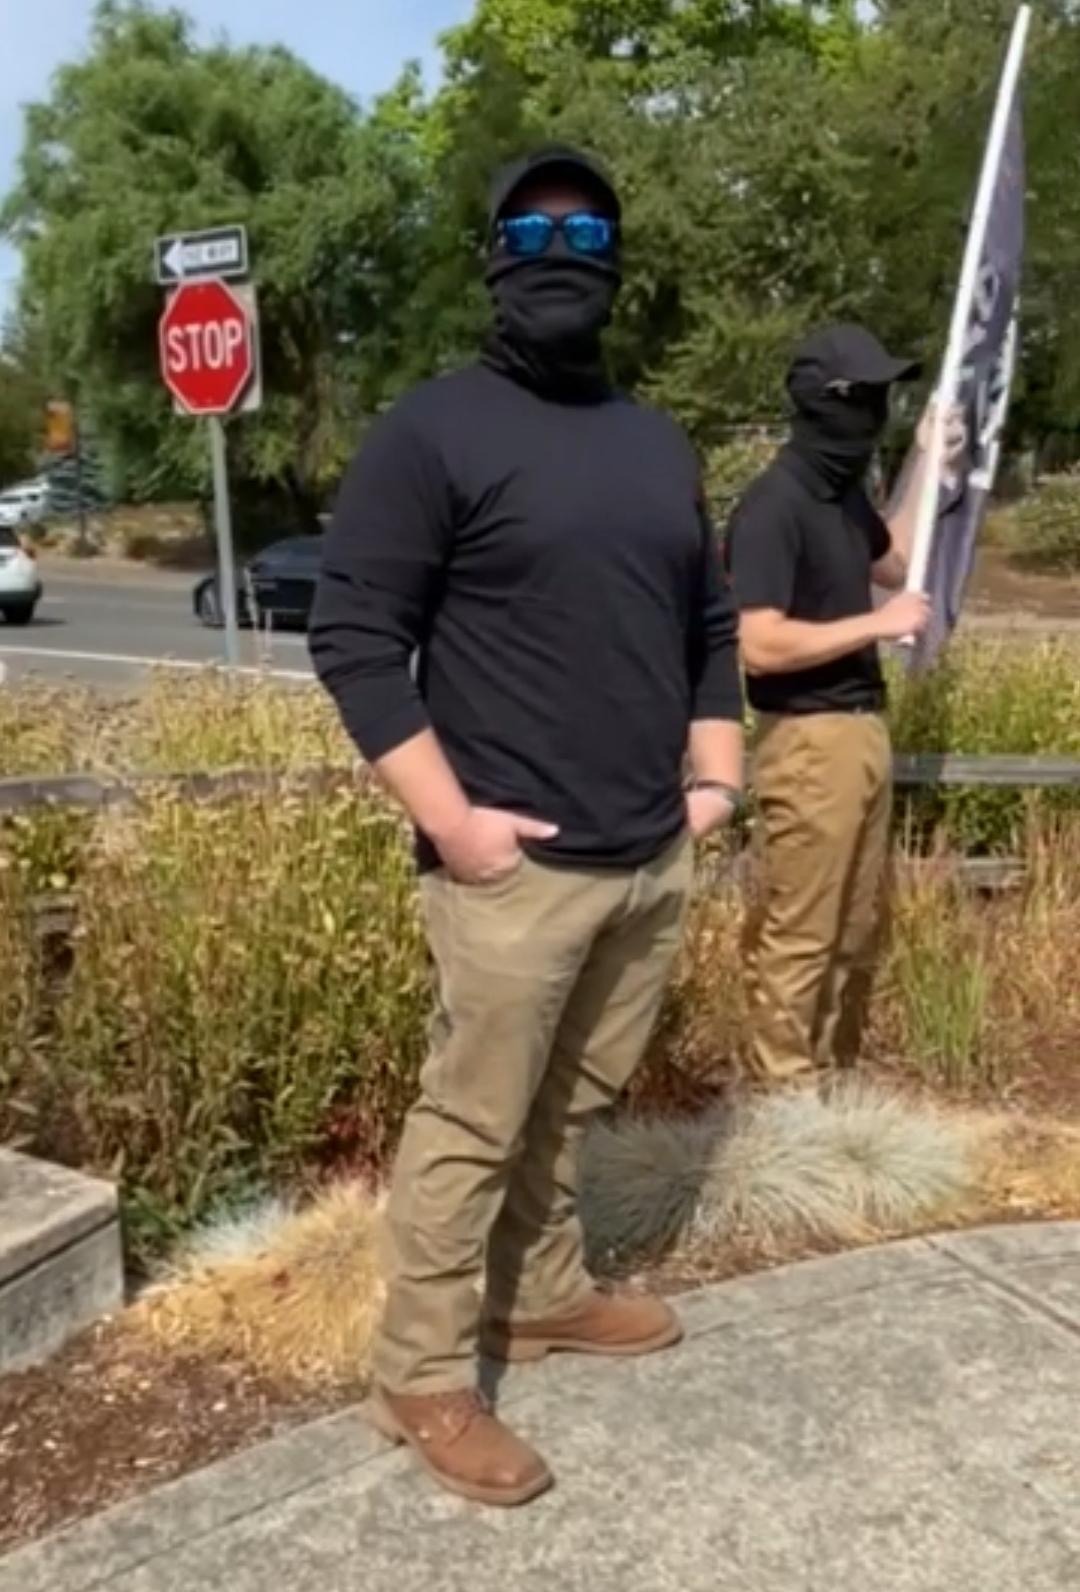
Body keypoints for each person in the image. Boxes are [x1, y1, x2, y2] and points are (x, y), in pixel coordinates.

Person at [309, 145, 744, 1508]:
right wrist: (457, 825)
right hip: (513, 872)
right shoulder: (432, 430)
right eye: (533, 226)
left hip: (645, 856)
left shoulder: (654, 441)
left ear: (615, 257)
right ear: (497, 253)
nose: (562, 248)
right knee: (473, 1123)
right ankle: (423, 1375)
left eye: (588, 226)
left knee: (575, 1100)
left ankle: (543, 1295)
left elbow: (708, 628)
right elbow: (355, 636)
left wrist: (715, 783)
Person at [725, 323, 961, 1085]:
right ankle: (782, 1101)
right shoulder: (772, 507)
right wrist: (876, 625)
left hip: (862, 732)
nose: (877, 413)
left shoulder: (839, 496)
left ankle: (832, 1082)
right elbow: (758, 642)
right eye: (870, 397)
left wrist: (929, 455)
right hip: (807, 740)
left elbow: (894, 557)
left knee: (856, 930)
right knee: (801, 933)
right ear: (830, 403)